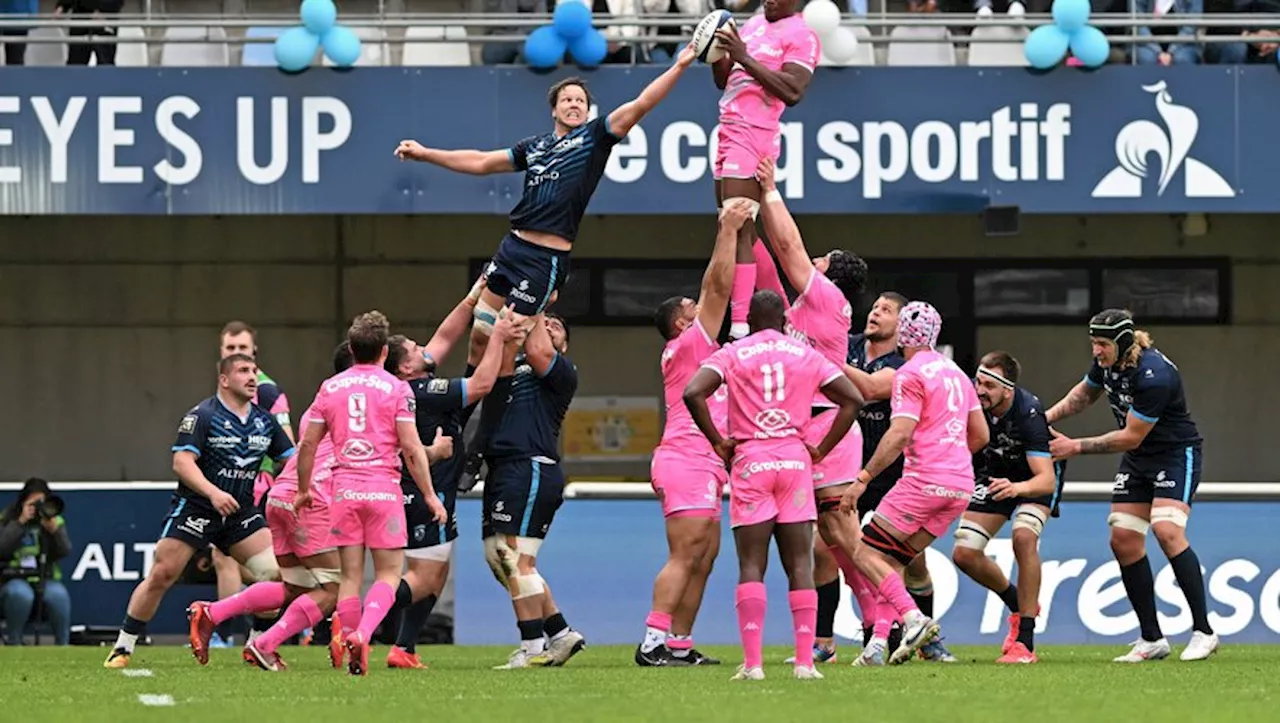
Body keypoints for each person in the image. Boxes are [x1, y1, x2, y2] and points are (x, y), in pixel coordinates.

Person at [393, 46, 697, 347]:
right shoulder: (533, 147)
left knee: (509, 342)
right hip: (511, 248)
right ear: (554, 109)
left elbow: (642, 103)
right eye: (567, 99)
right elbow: (482, 162)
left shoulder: (594, 138)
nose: (574, 104)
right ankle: (471, 395)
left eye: (581, 101)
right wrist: (425, 154)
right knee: (480, 337)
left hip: (545, 258)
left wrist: (680, 66)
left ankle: (500, 394)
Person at [683, 289, 863, 681]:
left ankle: (753, 664)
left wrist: (718, 441)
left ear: (749, 317)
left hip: (751, 461)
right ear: (785, 320)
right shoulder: (806, 354)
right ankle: (804, 663)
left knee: (751, 565)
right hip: (794, 461)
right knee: (800, 564)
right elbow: (852, 399)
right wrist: (820, 448)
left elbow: (692, 391)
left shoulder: (733, 353)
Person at [751, 159, 875, 652]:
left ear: (829, 273)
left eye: (823, 259)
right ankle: (841, 637)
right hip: (815, 427)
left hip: (830, 428)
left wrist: (770, 193)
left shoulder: (824, 297)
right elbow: (771, 258)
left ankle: (892, 622)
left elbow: (789, 248)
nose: (813, 261)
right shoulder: (811, 307)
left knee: (843, 540)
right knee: (830, 545)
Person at [1047, 309, 1218, 663]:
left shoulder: (1154, 375)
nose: (1096, 351)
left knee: (1167, 529)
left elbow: (1129, 436)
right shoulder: (1108, 363)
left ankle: (1204, 631)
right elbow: (1083, 395)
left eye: (1102, 344)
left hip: (1174, 454)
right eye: (1093, 343)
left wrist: (1073, 446)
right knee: (1123, 538)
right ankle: (1152, 638)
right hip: (1138, 459)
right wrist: (1042, 419)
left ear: (1123, 343)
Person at [104, 354, 295, 669]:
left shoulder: (265, 421)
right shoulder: (202, 416)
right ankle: (123, 646)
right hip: (197, 507)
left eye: (254, 372)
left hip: (240, 512)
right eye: (243, 371)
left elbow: (292, 459)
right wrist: (213, 493)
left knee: (274, 574)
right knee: (163, 573)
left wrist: (303, 489)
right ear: (223, 380)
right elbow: (181, 462)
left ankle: (257, 645)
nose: (252, 378)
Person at [636, 199, 755, 668]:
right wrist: (727, 229)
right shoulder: (688, 344)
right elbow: (718, 286)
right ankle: (651, 641)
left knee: (704, 556)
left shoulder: (701, 349)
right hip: (685, 458)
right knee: (686, 553)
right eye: (692, 308)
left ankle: (678, 643)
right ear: (682, 324)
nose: (702, 307)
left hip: (706, 462)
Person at [186, 342, 354, 671]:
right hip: (310, 499)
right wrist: (433, 452)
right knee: (334, 589)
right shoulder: (374, 398)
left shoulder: (324, 397)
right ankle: (264, 644)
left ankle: (212, 613)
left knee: (295, 586)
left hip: (281, 495)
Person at [838, 301, 988, 666]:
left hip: (923, 480)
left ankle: (915, 618)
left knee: (863, 553)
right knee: (893, 557)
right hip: (958, 485)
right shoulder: (956, 373)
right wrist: (951, 457)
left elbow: (899, 433)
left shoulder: (909, 373)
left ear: (904, 333)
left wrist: (863, 478)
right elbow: (980, 434)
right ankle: (877, 643)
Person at [301, 311, 446, 676]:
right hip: (383, 490)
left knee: (350, 577)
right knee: (388, 575)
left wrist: (304, 490)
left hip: (344, 489)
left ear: (352, 348)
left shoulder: (329, 388)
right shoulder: (398, 389)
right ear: (385, 351)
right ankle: (364, 634)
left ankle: (348, 635)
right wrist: (430, 495)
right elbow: (412, 449)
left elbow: (308, 444)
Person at [379, 311, 517, 670]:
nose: (422, 348)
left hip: (437, 490)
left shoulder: (419, 381)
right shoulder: (418, 390)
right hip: (424, 493)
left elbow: (445, 334)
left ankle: (403, 649)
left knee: (435, 577)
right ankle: (356, 615)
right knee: (424, 578)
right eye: (413, 349)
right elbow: (482, 384)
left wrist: (477, 296)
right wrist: (500, 334)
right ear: (405, 369)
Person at [789, 291, 908, 665]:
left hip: (885, 470)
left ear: (902, 326)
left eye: (886, 310)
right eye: (874, 307)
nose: (875, 313)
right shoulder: (849, 345)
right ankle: (824, 641)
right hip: (847, 467)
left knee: (902, 560)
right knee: (824, 549)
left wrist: (819, 356)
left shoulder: (903, 363)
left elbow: (870, 390)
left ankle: (910, 632)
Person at [478, 311, 586, 670]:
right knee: (499, 558)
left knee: (516, 560)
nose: (550, 326)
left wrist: (536, 302)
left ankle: (532, 646)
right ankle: (560, 632)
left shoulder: (560, 372)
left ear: (564, 345)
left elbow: (539, 349)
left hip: (531, 466)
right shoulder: (515, 365)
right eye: (547, 323)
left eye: (558, 327)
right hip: (502, 469)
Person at [711, 0, 819, 337]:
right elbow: (725, 79)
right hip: (729, 127)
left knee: (738, 225)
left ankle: (739, 326)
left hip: (755, 132)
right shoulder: (755, 22)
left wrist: (743, 55)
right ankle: (787, 316)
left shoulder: (803, 34)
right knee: (743, 229)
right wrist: (716, 52)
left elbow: (793, 90)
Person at [952, 350, 1066, 664]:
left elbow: (1045, 480)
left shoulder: (1029, 412)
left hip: (1032, 480)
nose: (979, 391)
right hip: (996, 475)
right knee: (964, 552)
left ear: (1008, 389)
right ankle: (1018, 602)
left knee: (1024, 537)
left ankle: (1025, 643)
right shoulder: (972, 408)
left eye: (988, 385)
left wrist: (1017, 488)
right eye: (978, 382)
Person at [212, 320, 295, 648]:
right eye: (230, 349)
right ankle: (240, 632)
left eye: (242, 349)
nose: (236, 354)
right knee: (228, 560)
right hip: (224, 486)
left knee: (258, 565)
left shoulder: (268, 391)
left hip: (257, 488)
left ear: (255, 353)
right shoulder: (222, 390)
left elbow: (288, 442)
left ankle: (232, 633)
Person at [0, 478, 72, 645]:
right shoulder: (7, 518)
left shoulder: (54, 521)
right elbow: (1, 548)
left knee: (59, 595)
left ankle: (63, 646)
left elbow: (65, 551)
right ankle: (14, 643)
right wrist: (20, 522)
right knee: (20, 595)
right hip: (13, 579)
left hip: (45, 577)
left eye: (41, 503)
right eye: (33, 504)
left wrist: (54, 531)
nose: (38, 508)